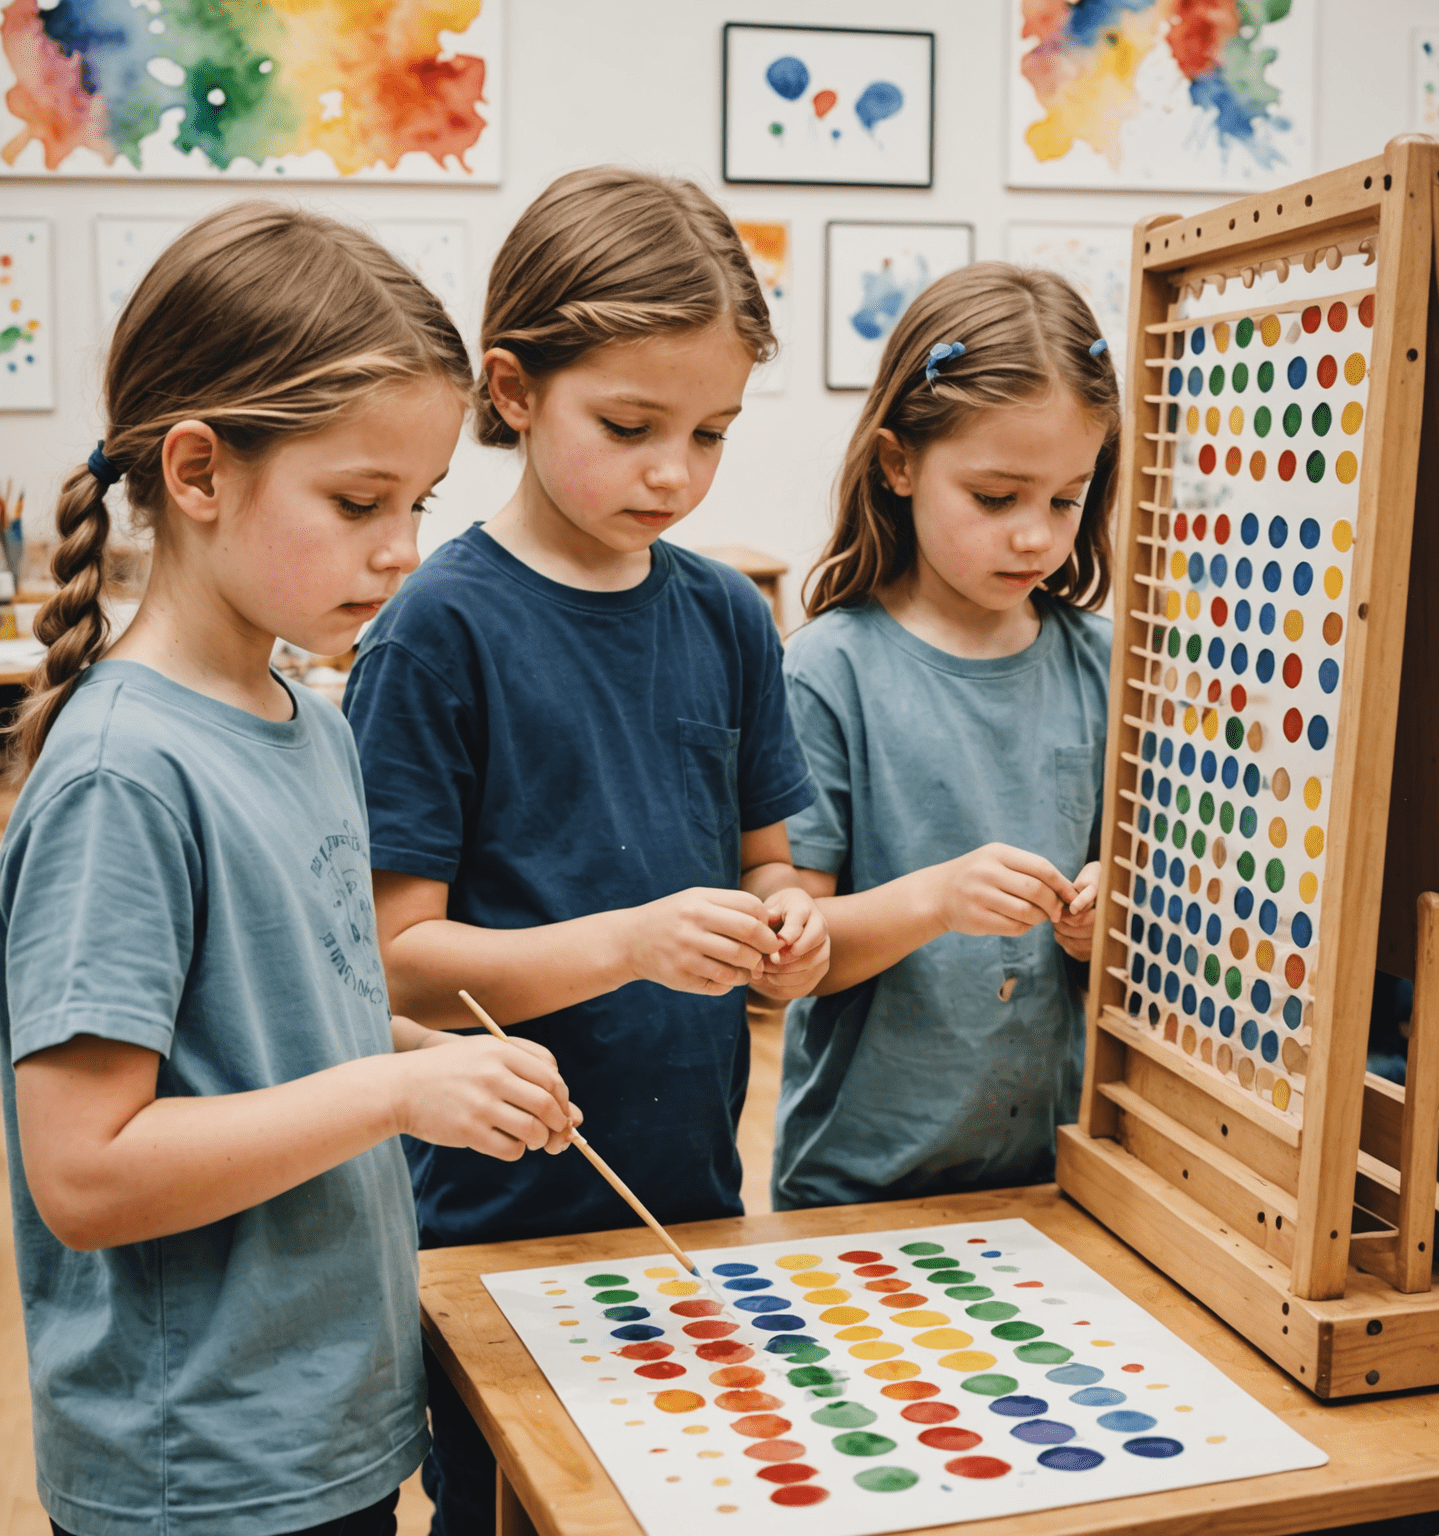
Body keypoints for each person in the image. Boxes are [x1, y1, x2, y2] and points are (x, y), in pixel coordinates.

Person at [0, 203, 581, 1536]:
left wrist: (431, 1061)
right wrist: (392, 1089)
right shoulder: (121, 776)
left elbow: (263, 1032)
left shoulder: (311, 721)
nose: (401, 548)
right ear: (199, 474)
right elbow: (86, 1175)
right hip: (198, 1471)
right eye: (359, 502)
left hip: (321, 1426)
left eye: (419, 502)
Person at [341, 166, 828, 1535]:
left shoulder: (727, 615)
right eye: (629, 424)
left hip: (690, 1202)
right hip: (490, 1224)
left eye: (713, 432)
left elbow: (770, 864)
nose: (674, 470)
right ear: (511, 391)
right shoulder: (439, 627)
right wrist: (630, 944)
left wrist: (783, 926)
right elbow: (396, 970)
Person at [772, 263, 1118, 1212]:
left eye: (1066, 500)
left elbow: (1146, 912)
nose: (1036, 539)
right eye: (997, 497)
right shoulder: (827, 671)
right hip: (859, 1184)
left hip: (1062, 1176)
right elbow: (795, 955)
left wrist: (1106, 915)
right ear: (899, 464)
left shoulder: (1105, 662)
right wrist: (933, 900)